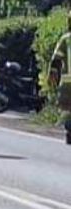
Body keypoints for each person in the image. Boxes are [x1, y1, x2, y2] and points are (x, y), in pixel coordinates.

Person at [47, 11, 71, 145]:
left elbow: (56, 61)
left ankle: (69, 131)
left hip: (67, 83)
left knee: (67, 108)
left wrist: (52, 78)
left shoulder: (65, 39)